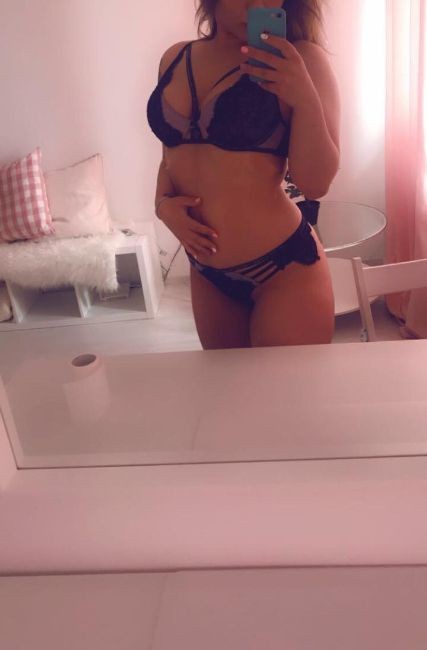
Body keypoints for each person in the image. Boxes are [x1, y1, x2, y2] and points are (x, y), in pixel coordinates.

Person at [146, 0, 341, 349]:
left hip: (285, 270)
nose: (257, 4)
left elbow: (315, 184)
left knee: (282, 388)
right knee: (229, 384)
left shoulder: (302, 60)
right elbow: (172, 153)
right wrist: (162, 204)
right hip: (207, 274)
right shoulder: (174, 57)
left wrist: (304, 98)